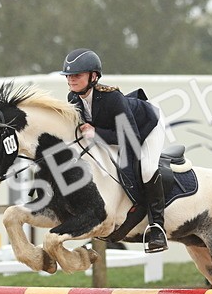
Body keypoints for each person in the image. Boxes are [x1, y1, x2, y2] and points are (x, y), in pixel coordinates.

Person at [60, 48, 169, 253]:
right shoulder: (73, 99)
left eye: (77, 75)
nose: (71, 79)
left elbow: (131, 138)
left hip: (147, 127)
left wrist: (96, 133)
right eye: (68, 75)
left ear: (93, 76)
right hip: (116, 133)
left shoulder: (112, 98)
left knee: (146, 169)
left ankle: (156, 228)